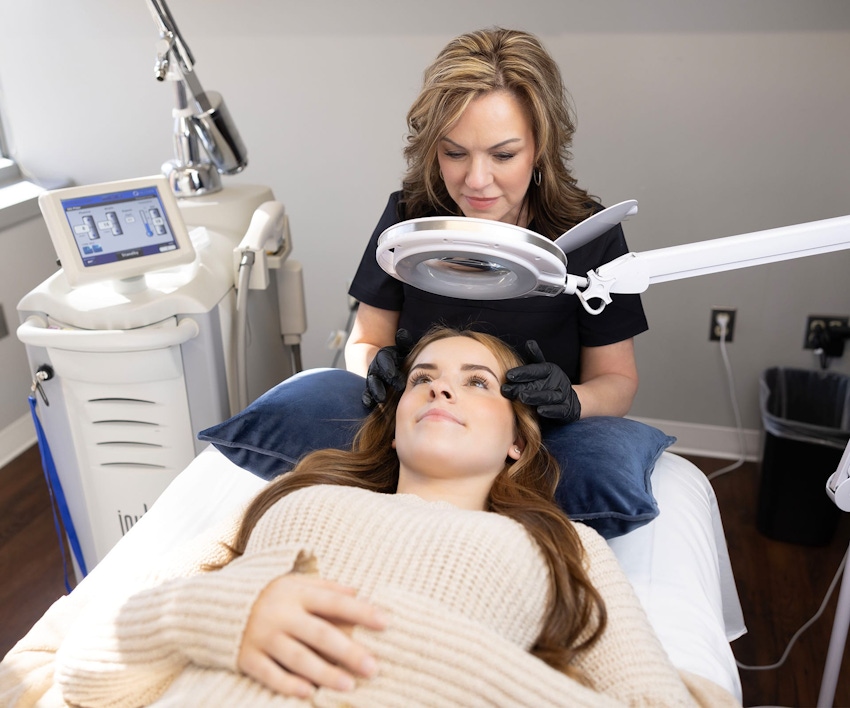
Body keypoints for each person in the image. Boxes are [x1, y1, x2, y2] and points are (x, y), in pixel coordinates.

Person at [34, 328, 734, 706]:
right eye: (422, 379)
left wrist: (431, 656)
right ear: (393, 426)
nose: (439, 391)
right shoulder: (297, 496)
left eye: (476, 383)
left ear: (518, 442)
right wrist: (216, 616)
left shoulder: (560, 545)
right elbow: (86, 669)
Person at [346, 27, 647, 424]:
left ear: (540, 147)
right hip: (427, 424)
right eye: (454, 153)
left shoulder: (591, 234)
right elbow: (364, 341)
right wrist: (374, 365)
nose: (476, 181)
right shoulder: (410, 218)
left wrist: (573, 399)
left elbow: (617, 381)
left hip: (539, 433)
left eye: (503, 155)